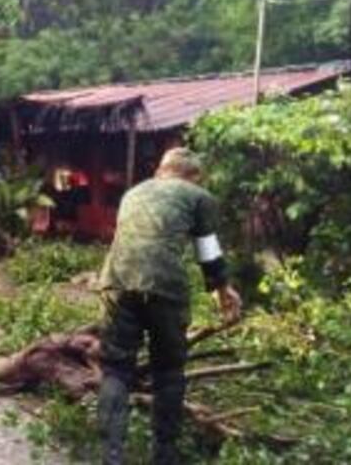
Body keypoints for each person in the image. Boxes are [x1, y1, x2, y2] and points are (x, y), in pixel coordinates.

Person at [96, 147, 242, 465]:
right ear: (193, 175)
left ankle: (110, 456)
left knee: (116, 370)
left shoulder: (134, 192)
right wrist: (222, 288)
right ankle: (164, 455)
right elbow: (207, 249)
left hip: (116, 282)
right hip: (165, 287)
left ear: (162, 169)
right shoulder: (197, 195)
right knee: (169, 371)